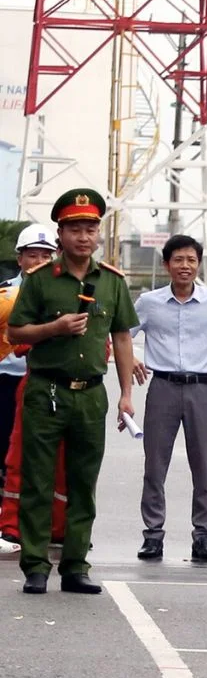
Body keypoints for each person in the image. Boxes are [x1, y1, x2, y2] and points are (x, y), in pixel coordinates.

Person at [6, 187, 138, 595]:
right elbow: (16, 332)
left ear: (98, 233)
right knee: (38, 481)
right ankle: (35, 566)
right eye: (75, 229)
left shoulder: (112, 282)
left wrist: (126, 394)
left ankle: (76, 565)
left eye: (91, 228)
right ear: (60, 234)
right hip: (46, 390)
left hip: (90, 395)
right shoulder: (42, 281)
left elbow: (122, 338)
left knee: (84, 481)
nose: (84, 236)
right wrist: (55, 328)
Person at [130, 234, 207, 564]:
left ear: (199, 264)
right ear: (166, 264)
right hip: (162, 388)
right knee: (155, 465)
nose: (185, 266)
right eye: (178, 260)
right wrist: (132, 359)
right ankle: (153, 536)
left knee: (204, 465)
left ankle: (204, 536)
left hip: (201, 389)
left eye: (191, 260)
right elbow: (122, 334)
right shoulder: (148, 303)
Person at [0, 224, 58, 557]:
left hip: (44, 383)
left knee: (43, 457)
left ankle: (46, 523)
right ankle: (6, 522)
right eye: (31, 255)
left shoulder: (62, 293)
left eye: (45, 255)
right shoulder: (6, 294)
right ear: (19, 258)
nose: (37, 261)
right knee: (5, 453)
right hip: (7, 381)